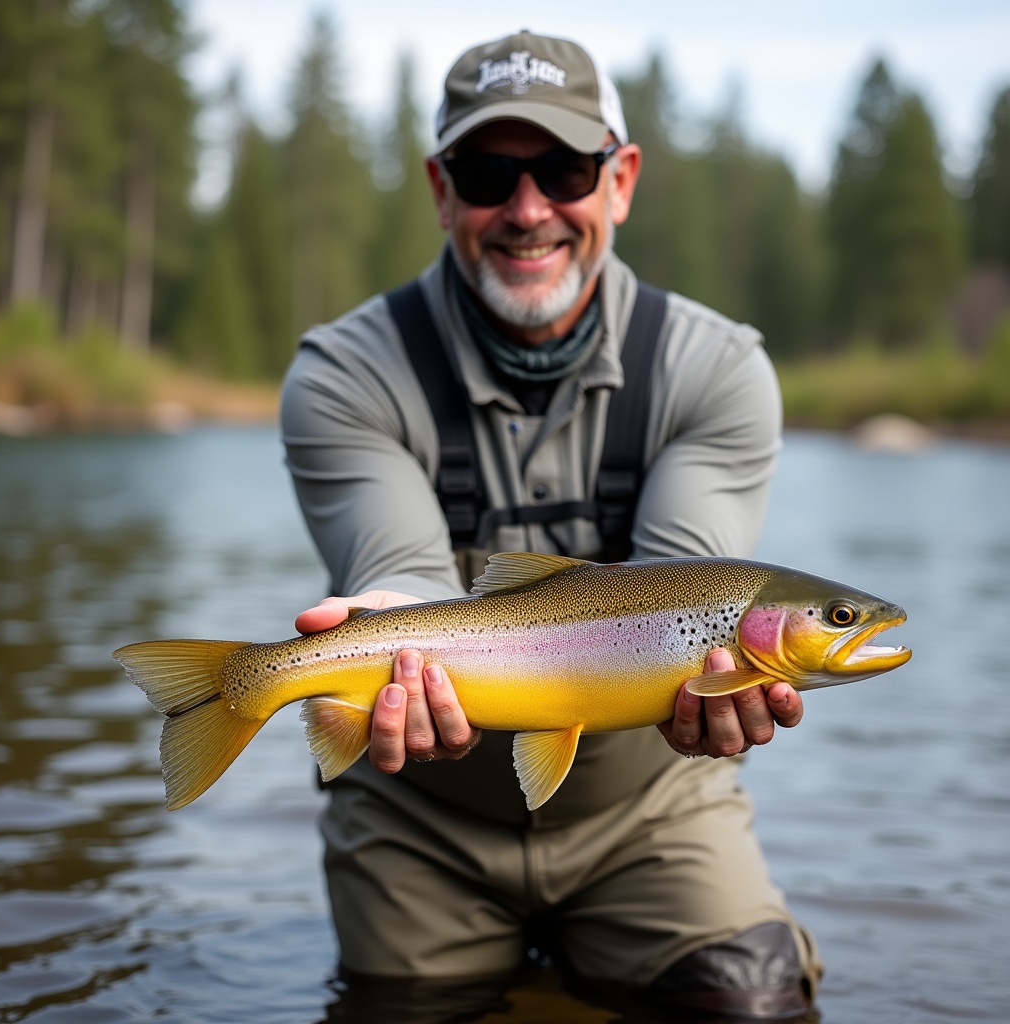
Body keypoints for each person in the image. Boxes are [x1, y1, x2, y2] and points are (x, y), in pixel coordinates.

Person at [280, 29, 822, 1019]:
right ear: (442, 191)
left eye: (564, 170)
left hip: (648, 803)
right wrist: (391, 632)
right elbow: (399, 567)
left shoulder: (715, 369)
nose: (527, 212)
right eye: (490, 174)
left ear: (619, 180)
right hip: (421, 813)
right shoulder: (344, 372)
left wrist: (720, 681)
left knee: (750, 1004)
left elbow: (687, 586)